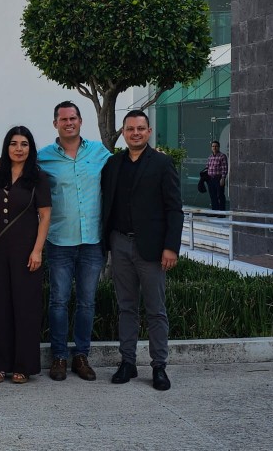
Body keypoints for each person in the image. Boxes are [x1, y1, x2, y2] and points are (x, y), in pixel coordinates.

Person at [101, 109, 183, 391]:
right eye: (130, 129)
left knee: (155, 309)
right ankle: (128, 362)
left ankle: (159, 365)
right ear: (123, 133)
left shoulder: (162, 163)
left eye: (140, 128)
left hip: (152, 248)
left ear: (148, 132)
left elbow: (174, 209)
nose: (135, 133)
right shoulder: (113, 164)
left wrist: (171, 247)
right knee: (126, 307)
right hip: (120, 243)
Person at [36, 101, 111, 382]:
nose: (69, 123)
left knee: (87, 302)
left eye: (73, 118)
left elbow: (125, 166)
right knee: (58, 301)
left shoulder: (99, 152)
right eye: (63, 119)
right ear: (55, 123)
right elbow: (17, 168)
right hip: (59, 241)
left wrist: (155, 155)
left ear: (80, 121)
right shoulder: (43, 157)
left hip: (92, 241)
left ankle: (81, 356)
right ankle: (58, 357)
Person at [0, 126, 51, 384]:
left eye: (24, 144)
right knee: (0, 306)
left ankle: (24, 365)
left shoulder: (38, 177)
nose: (19, 149)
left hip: (26, 251)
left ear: (30, 148)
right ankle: (0, 364)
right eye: (14, 143)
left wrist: (37, 250)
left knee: (25, 307)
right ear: (7, 147)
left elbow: (45, 216)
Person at [205, 140, 228, 211]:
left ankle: (222, 213)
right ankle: (214, 211)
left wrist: (223, 178)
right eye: (213, 146)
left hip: (218, 178)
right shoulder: (210, 157)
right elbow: (207, 167)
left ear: (219, 147)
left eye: (216, 146)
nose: (214, 148)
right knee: (213, 196)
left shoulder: (222, 156)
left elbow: (224, 168)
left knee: (220, 195)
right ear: (211, 147)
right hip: (210, 179)